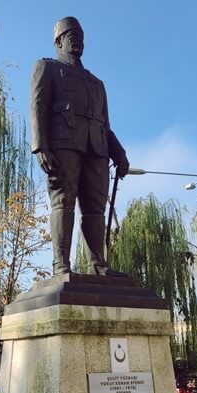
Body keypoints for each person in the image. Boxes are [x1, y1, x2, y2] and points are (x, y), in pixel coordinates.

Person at [30, 17, 130, 276]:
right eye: (70, 33)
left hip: (97, 149)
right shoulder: (47, 68)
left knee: (95, 207)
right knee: (63, 202)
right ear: (58, 41)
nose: (77, 38)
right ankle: (61, 264)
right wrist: (40, 146)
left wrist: (118, 151)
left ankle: (97, 264)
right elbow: (38, 107)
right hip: (63, 144)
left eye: (81, 35)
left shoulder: (97, 83)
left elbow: (104, 124)